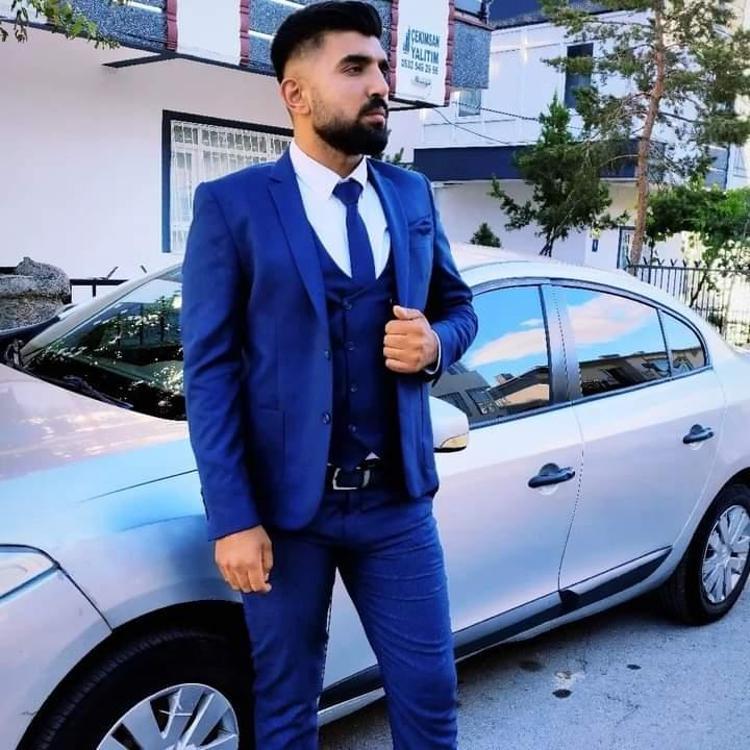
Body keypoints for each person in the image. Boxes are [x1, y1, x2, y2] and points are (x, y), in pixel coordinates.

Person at [180, 2, 478, 747]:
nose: (381, 84)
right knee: (284, 707)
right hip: (286, 513)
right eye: (355, 68)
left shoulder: (411, 194)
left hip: (396, 506)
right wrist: (233, 519)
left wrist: (436, 345)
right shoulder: (232, 206)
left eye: (381, 67)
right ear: (296, 93)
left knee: (431, 696)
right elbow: (209, 373)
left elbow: (460, 308)